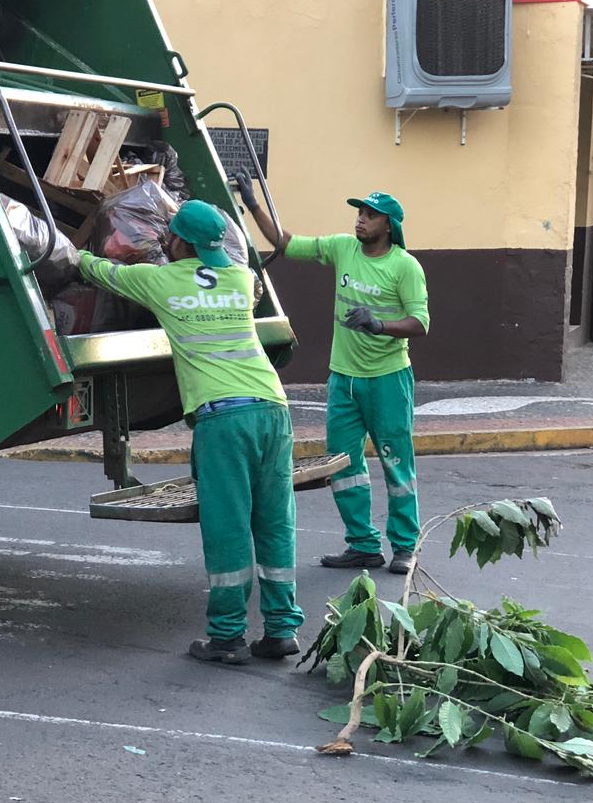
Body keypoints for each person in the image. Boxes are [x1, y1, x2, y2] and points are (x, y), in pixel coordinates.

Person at [73, 200, 304, 664]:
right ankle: (281, 629)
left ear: (177, 241)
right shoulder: (242, 280)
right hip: (273, 408)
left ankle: (226, 638)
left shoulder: (158, 281)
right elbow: (244, 279)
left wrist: (62, 248)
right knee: (275, 521)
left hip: (223, 419)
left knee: (228, 526)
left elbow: (96, 270)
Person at [233, 174, 429, 575]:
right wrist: (254, 205)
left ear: (388, 226)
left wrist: (379, 324)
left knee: (396, 464)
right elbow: (286, 244)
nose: (360, 220)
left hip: (388, 379)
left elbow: (420, 322)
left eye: (370, 215)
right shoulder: (343, 248)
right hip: (343, 380)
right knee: (343, 464)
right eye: (359, 212)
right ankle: (362, 545)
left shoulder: (404, 266)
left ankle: (405, 547)